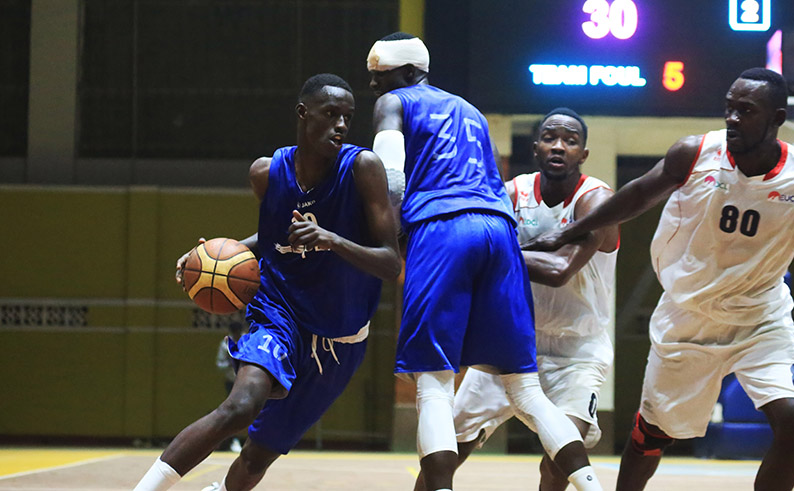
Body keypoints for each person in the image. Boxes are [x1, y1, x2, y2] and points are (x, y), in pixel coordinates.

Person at [524, 68, 794, 491]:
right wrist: (568, 230)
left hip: (761, 317)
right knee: (653, 435)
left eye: (746, 110)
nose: (732, 118)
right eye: (729, 107)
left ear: (776, 117)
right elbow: (635, 196)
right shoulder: (694, 153)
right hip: (687, 315)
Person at [133, 73, 401, 491]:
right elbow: (274, 237)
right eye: (331, 114)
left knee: (257, 456)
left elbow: (390, 263)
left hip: (341, 337)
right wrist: (210, 258)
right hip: (281, 311)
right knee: (240, 405)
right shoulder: (266, 173)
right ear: (302, 113)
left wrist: (332, 241)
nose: (342, 125)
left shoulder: (362, 168)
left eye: (348, 117)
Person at [367, 33, 603, 491]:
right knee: (525, 390)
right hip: (499, 232)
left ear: (411, 74)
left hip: (440, 229)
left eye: (382, 79)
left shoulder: (395, 103)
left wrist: (389, 241)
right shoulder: (471, 111)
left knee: (433, 383)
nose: (376, 88)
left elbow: (389, 176)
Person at [412, 108, 619, 491]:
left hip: (576, 350)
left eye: (570, 141)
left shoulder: (596, 201)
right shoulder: (512, 193)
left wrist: (494, 250)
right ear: (536, 147)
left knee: (557, 466)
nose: (559, 146)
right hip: (509, 340)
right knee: (443, 453)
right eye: (550, 138)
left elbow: (559, 270)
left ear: (583, 154)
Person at [216, 321, 245, 453]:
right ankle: (234, 440)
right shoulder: (225, 344)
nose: (237, 335)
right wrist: (229, 362)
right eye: (235, 333)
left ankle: (253, 439)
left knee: (251, 410)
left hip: (247, 381)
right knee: (234, 412)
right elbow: (219, 364)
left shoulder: (247, 340)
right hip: (232, 381)